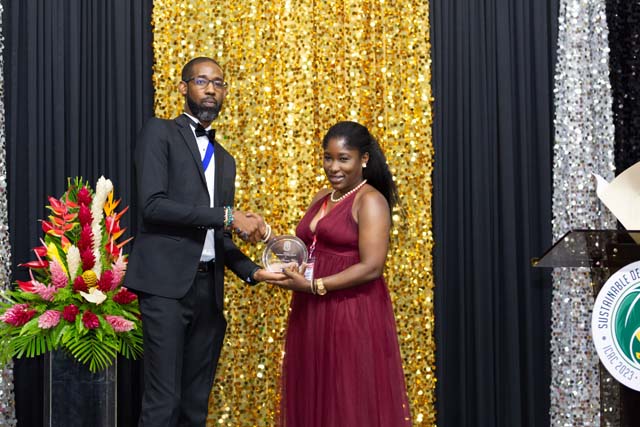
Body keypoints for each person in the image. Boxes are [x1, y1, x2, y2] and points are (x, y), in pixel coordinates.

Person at [125, 56, 283, 426]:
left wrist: (254, 272)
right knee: (163, 401)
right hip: (166, 288)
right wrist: (228, 216)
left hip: (208, 292)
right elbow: (153, 206)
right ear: (184, 87)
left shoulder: (225, 161)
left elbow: (219, 238)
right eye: (201, 81)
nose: (211, 89)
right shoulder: (159, 132)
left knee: (195, 406)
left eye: (218, 83)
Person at [265, 121, 412, 426]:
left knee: (345, 397)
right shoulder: (323, 196)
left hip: (350, 310)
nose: (334, 167)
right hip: (312, 309)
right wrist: (266, 236)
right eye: (328, 158)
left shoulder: (370, 201)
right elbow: (306, 250)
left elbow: (372, 267)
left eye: (343, 158)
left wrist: (314, 285)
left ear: (364, 159)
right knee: (314, 391)